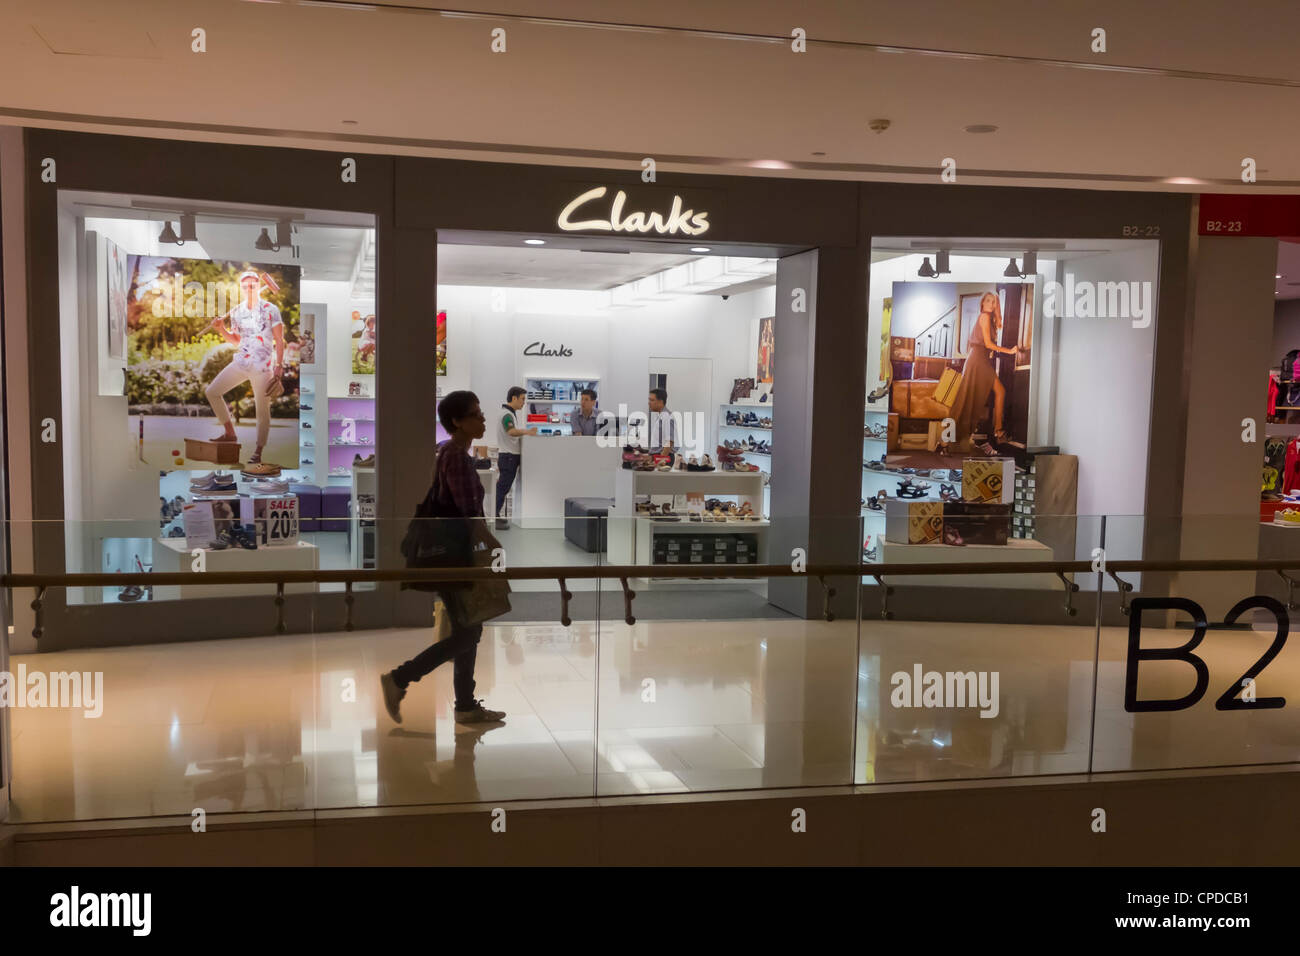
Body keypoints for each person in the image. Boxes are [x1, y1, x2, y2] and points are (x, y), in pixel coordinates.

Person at [380, 390, 506, 725]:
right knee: (466, 632)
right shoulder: (454, 455)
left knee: (470, 627)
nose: (482, 420)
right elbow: (468, 513)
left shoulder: (454, 453)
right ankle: (400, 678)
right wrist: (494, 547)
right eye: (476, 414)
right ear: (457, 421)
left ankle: (465, 705)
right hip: (455, 555)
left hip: (457, 553)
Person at [204, 269, 285, 469]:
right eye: (245, 285)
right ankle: (230, 433)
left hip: (263, 366)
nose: (249, 288)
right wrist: (221, 328)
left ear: (259, 286)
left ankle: (258, 451)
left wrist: (279, 366)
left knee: (262, 410)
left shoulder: (271, 309)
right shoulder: (237, 311)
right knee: (212, 392)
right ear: (241, 288)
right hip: (241, 362)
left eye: (253, 285)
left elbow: (279, 340)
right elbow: (235, 340)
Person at [948, 292, 1020, 451]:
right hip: (977, 360)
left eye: (994, 302)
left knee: (993, 393)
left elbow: (986, 344)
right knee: (967, 400)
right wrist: (1009, 351)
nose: (991, 304)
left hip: (981, 360)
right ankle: (945, 442)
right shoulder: (984, 316)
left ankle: (998, 432)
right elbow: (987, 343)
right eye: (988, 301)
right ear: (982, 303)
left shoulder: (989, 319)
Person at [496, 386, 538, 530]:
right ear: (514, 398)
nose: (524, 402)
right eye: (522, 399)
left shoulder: (509, 414)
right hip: (508, 457)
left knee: (503, 488)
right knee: (502, 488)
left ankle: (495, 516)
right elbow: (511, 431)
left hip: (508, 457)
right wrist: (528, 432)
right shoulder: (506, 415)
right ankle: (493, 517)